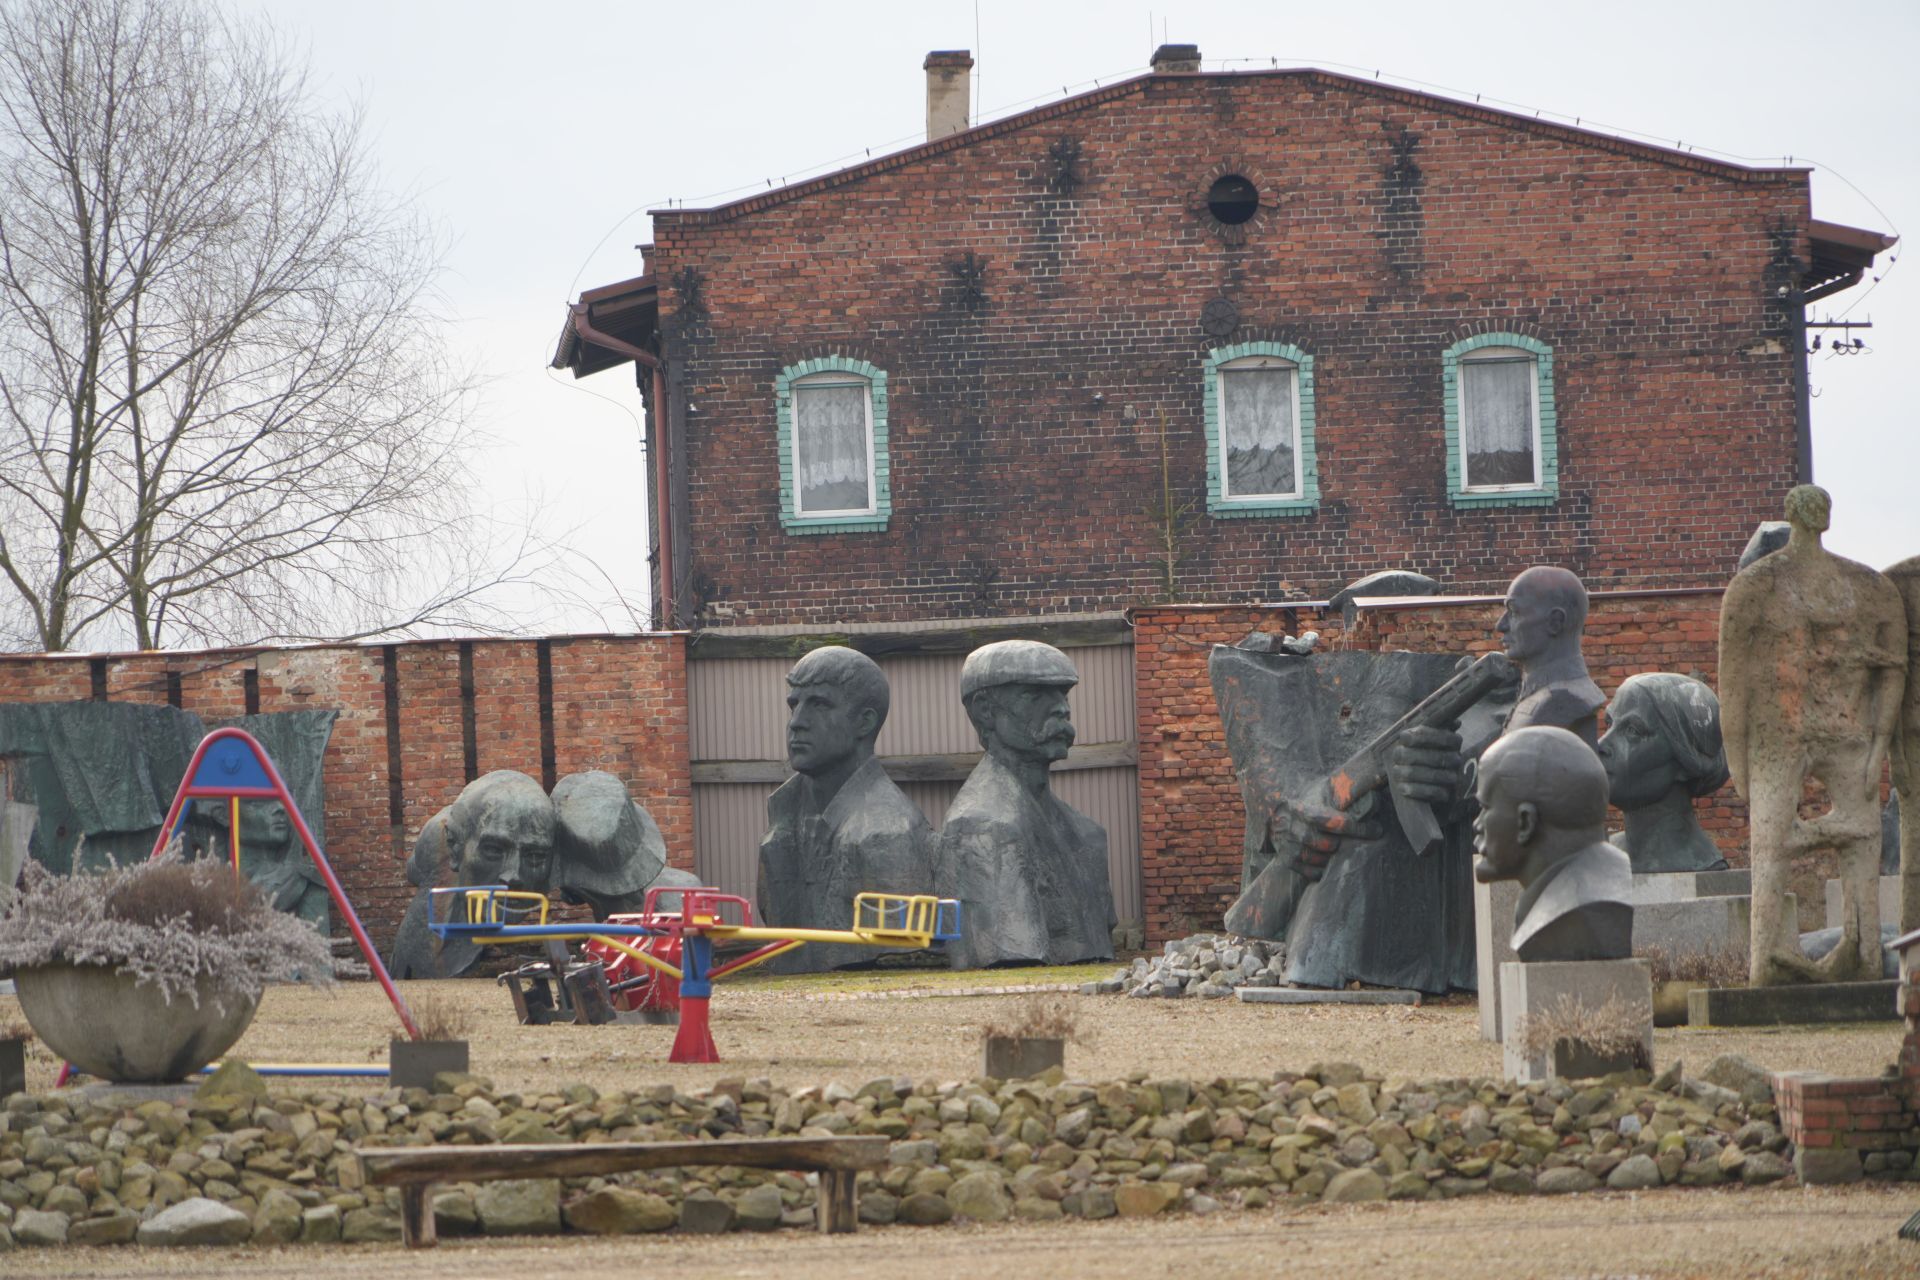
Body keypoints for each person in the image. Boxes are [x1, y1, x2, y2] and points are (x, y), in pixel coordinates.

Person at [1720, 485, 1906, 985]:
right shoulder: (1768, 586)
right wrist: (1740, 759)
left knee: (1855, 841)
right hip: (1788, 741)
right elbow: (1734, 683)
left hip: (1840, 740)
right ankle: (1769, 962)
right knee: (1772, 849)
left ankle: (1861, 954)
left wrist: (1878, 747)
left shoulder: (1863, 589)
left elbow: (1892, 670)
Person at [936, 640, 1114, 968]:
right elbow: (1009, 953)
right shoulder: (981, 828)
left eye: (1063, 695)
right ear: (984, 711)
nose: (1061, 708)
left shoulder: (1088, 833)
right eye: (1034, 695)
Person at [757, 647, 935, 972]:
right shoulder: (784, 818)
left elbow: (897, 965)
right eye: (794, 706)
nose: (796, 723)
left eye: (819, 705)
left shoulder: (889, 832)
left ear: (864, 722)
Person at [1473, 725, 1634, 962]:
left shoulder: (1581, 910)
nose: (1477, 824)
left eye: (1485, 808)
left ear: (1526, 822)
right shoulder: (1550, 903)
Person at [1596, 673, 1731, 873]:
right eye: (1609, 724)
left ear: (1684, 762)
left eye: (1633, 731)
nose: (1601, 745)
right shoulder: (1605, 858)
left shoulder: (1698, 864)